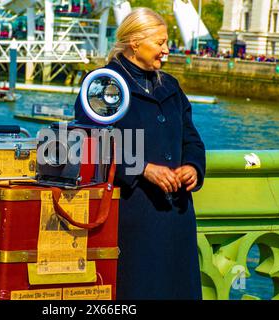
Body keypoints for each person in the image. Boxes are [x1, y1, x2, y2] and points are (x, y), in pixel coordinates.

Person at [74, 7, 206, 299]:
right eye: (159, 43)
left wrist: (193, 167)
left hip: (176, 217)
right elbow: (91, 141)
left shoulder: (171, 86)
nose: (166, 50)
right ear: (135, 43)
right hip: (132, 215)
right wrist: (143, 168)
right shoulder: (102, 84)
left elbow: (192, 140)